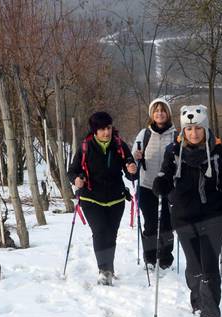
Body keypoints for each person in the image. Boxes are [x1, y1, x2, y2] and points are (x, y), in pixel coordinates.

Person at [153, 105, 222, 317]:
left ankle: (210, 315)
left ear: (205, 128)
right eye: (189, 129)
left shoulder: (218, 151)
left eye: (198, 129)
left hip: (214, 215)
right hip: (183, 216)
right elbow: (165, 174)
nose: (194, 133)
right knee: (195, 266)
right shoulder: (173, 151)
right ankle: (198, 300)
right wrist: (161, 183)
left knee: (209, 265)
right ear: (183, 129)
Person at [68, 111, 136, 285]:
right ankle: (103, 270)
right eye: (102, 129)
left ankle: (109, 268)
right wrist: (77, 180)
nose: (106, 132)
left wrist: (132, 168)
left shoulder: (119, 145)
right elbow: (73, 171)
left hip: (116, 198)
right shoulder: (86, 146)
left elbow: (130, 171)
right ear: (94, 131)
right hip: (91, 198)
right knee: (100, 231)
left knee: (111, 234)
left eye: (108, 128)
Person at [132, 97, 177, 270]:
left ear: (168, 114)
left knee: (167, 224)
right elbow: (132, 161)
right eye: (156, 110)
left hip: (168, 187)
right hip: (147, 185)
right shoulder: (144, 134)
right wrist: (135, 159)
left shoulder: (176, 134)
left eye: (163, 110)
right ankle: (150, 258)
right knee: (150, 224)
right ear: (152, 114)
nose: (160, 113)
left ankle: (166, 259)